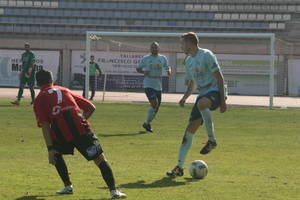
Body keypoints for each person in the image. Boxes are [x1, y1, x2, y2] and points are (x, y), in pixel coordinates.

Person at [33, 69, 126, 199]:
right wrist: (82, 119)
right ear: (52, 80)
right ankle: (113, 191)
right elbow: (91, 107)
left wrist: (50, 149)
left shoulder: (39, 100)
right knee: (100, 160)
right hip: (82, 131)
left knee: (55, 153)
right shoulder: (64, 90)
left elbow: (45, 126)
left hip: (61, 135)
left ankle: (68, 186)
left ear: (37, 83)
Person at [166, 32, 227, 177]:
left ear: (189, 43)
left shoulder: (206, 55)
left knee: (201, 104)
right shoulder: (188, 61)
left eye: (182, 43)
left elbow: (220, 77)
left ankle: (212, 140)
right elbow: (193, 83)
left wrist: (223, 101)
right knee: (189, 131)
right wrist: (185, 98)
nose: (181, 46)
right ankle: (179, 167)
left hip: (215, 91)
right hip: (203, 95)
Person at [136, 42, 171, 132]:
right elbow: (138, 68)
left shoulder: (163, 58)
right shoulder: (146, 58)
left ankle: (147, 123)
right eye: (152, 47)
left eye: (156, 47)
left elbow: (167, 66)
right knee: (154, 103)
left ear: (158, 48)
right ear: (150, 49)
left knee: (157, 107)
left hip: (158, 84)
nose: (154, 49)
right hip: (148, 84)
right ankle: (147, 123)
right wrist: (144, 72)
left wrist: (168, 70)